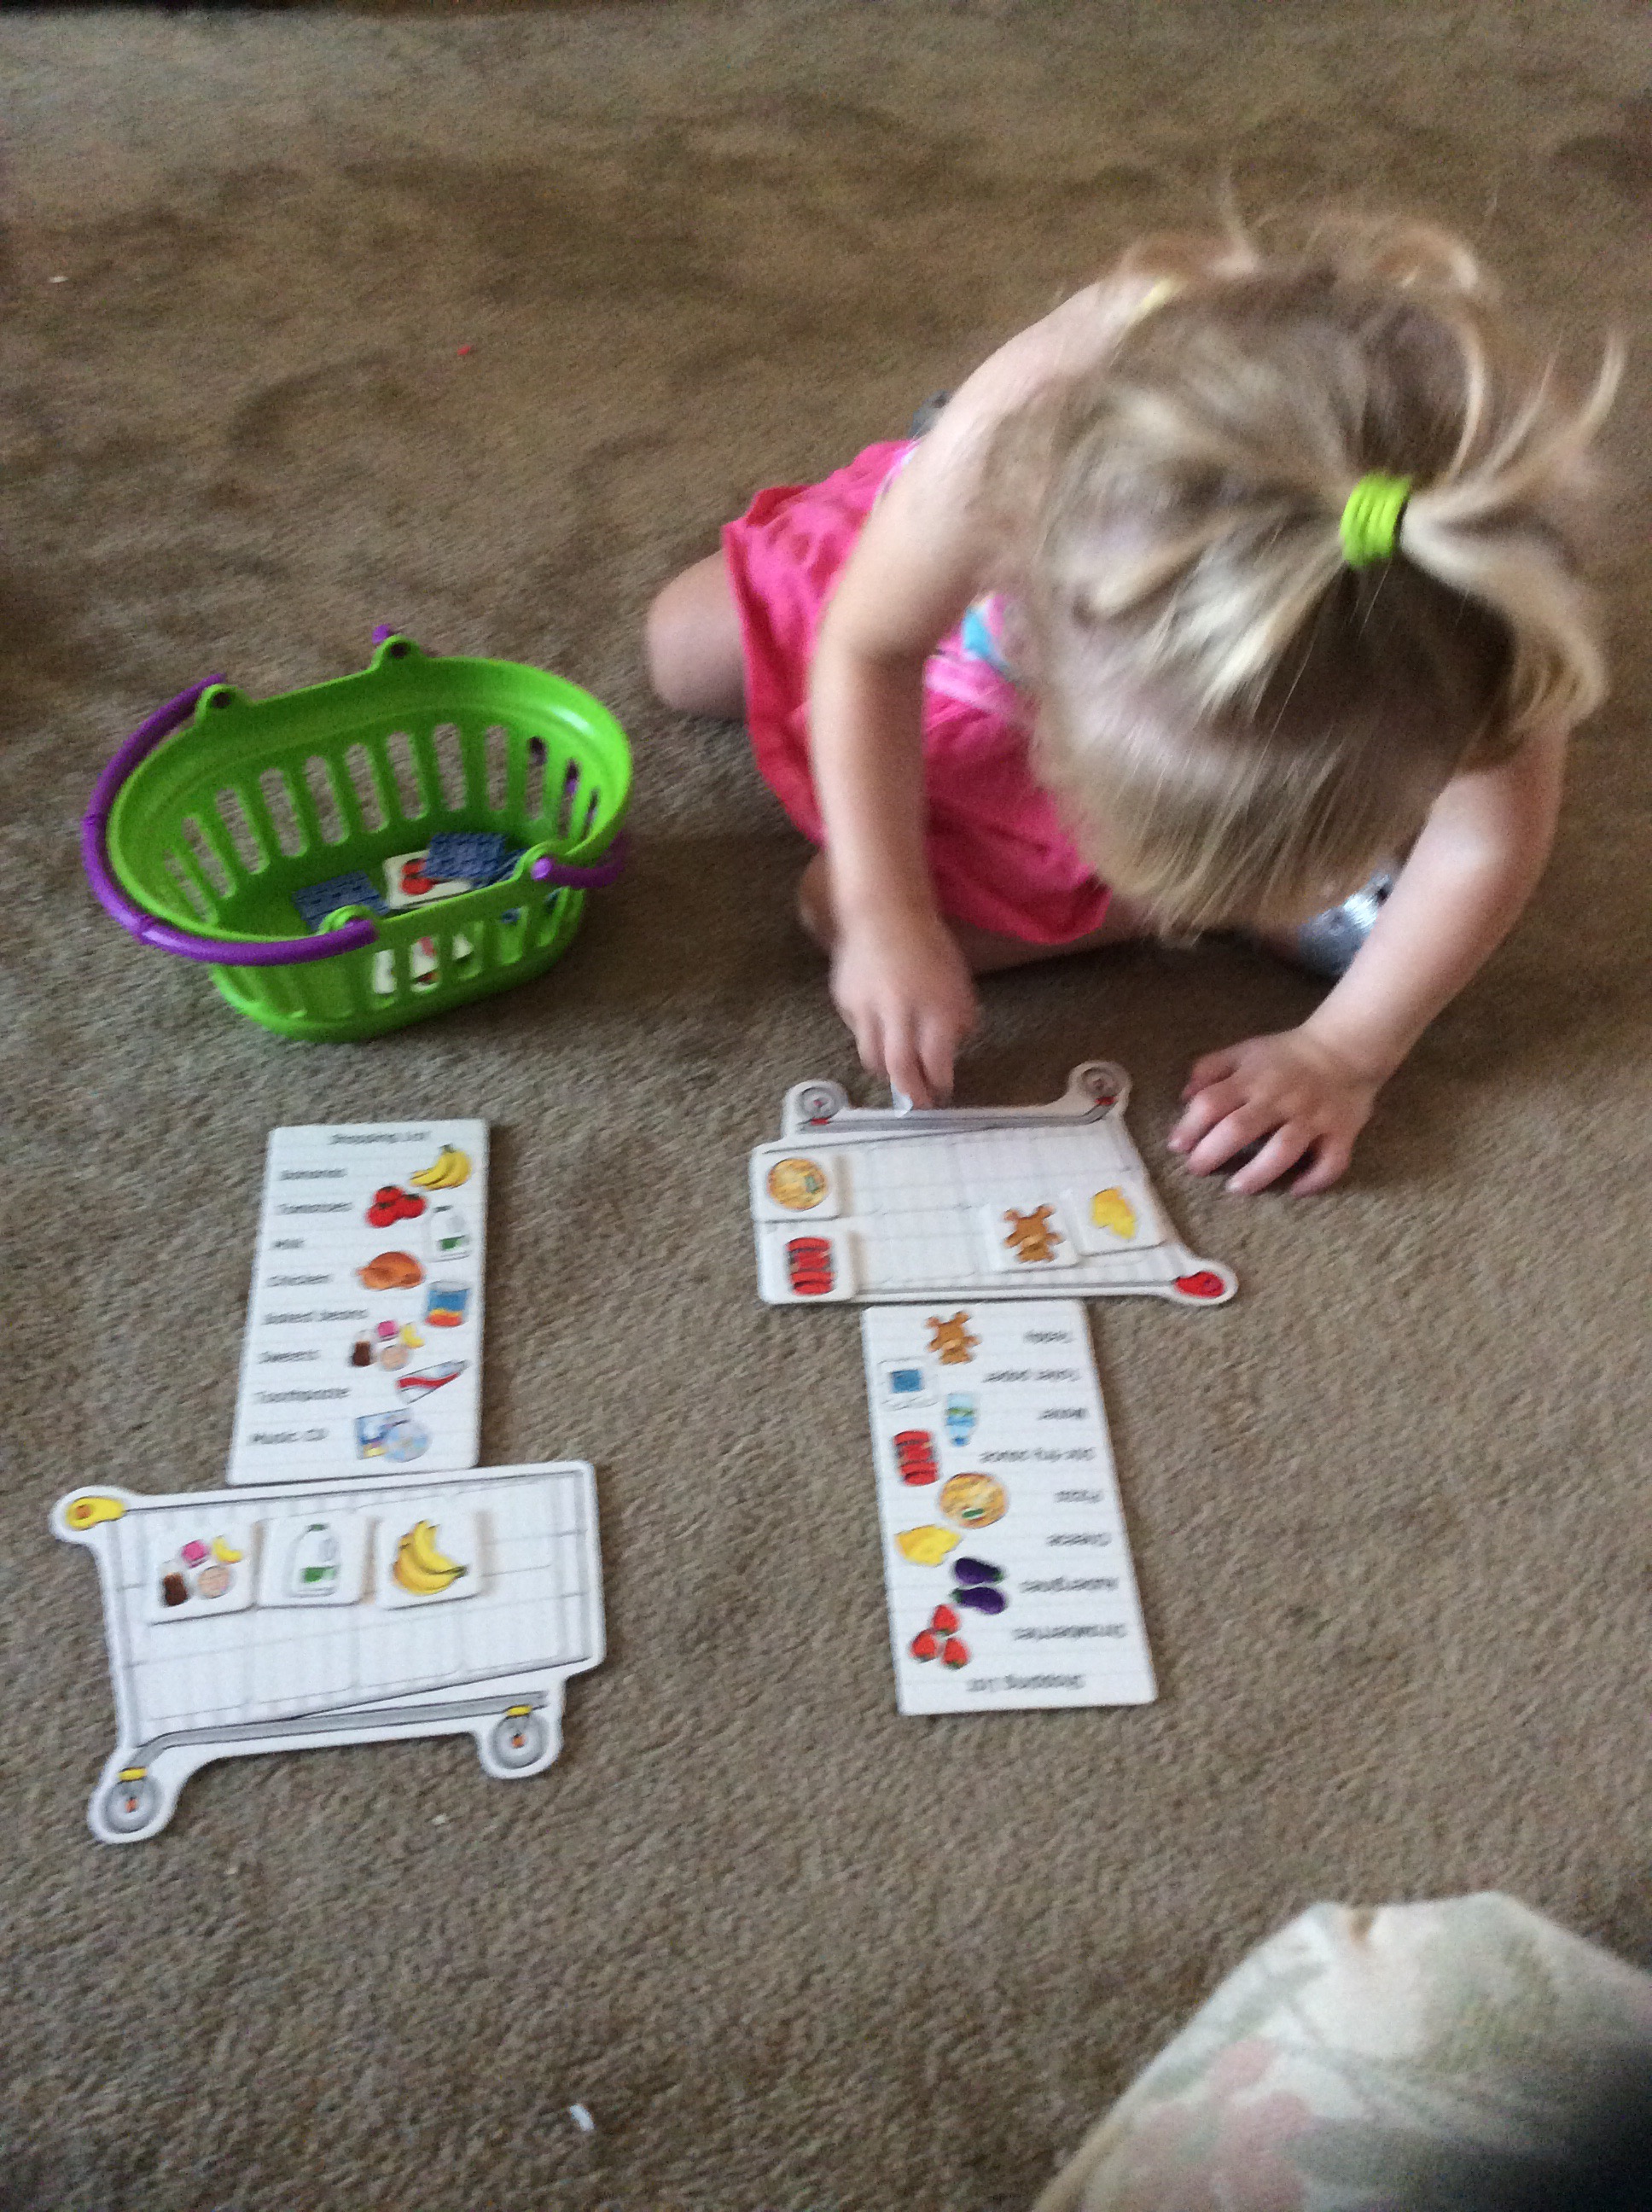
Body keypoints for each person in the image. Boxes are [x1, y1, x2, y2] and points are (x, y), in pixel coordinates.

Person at [646, 216, 1616, 1192]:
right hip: (966, 555)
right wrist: (885, 910)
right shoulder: (1007, 447)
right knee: (684, 652)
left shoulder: (1468, 607)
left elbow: (1485, 842)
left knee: (827, 903)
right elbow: (869, 647)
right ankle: (1260, 890)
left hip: (1157, 641)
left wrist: (1344, 1051)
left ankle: (1232, 886)